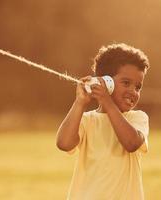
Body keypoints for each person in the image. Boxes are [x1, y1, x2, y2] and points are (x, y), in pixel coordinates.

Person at [56, 43, 150, 200]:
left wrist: (107, 101)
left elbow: (131, 143)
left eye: (138, 87)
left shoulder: (137, 118)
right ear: (107, 83)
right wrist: (79, 102)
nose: (133, 91)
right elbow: (63, 143)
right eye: (126, 83)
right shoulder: (87, 120)